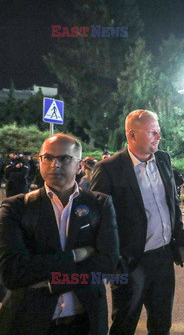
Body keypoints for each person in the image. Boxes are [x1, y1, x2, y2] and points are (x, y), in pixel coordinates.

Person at [0, 133, 119, 335]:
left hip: (86, 321)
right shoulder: (16, 208)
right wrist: (75, 255)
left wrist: (51, 282)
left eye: (64, 158)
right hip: (30, 321)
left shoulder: (99, 204)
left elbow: (107, 265)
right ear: (40, 161)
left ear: (80, 166)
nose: (55, 165)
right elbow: (12, 273)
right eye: (48, 157)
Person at [90, 109, 184, 335]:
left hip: (163, 258)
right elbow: (98, 220)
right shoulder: (109, 169)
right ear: (132, 135)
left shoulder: (163, 159)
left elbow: (172, 203)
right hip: (130, 261)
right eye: (152, 132)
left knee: (162, 323)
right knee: (125, 323)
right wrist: (114, 261)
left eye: (159, 132)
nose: (158, 137)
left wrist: (179, 240)